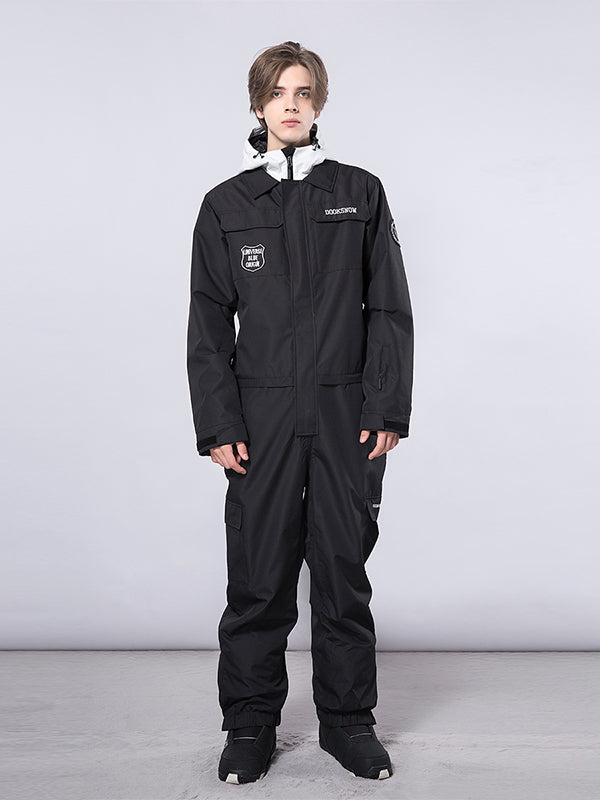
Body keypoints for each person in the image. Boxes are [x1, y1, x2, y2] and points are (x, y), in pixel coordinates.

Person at [186, 40, 414, 784]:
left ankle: (348, 723)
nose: (291, 105)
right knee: (259, 576)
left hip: (347, 414)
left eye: (303, 92)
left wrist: (386, 406)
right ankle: (250, 725)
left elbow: (388, 308)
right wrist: (221, 425)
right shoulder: (226, 205)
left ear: (319, 103)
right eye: (278, 93)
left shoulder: (359, 192)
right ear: (258, 105)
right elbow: (207, 324)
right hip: (263, 420)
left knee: (343, 573)